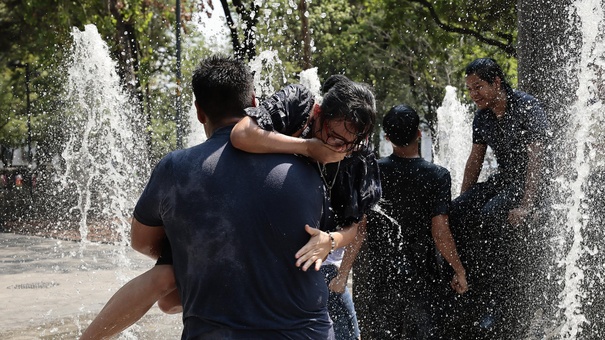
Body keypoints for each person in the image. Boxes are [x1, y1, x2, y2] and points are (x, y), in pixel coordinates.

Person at [82, 55, 336, 339]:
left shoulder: (175, 169)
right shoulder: (307, 169)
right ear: (254, 102)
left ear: (198, 111)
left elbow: (141, 242)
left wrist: (196, 255)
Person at [230, 74, 382, 340]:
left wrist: (330, 240)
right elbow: (241, 135)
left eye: (350, 143)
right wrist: (307, 148)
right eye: (334, 137)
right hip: (255, 252)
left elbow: (354, 226)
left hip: (312, 266)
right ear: (319, 113)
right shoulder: (298, 105)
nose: (340, 148)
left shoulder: (358, 153)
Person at [448, 58, 549, 337]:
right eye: (469, 90)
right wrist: (463, 201)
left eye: (478, 87)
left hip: (532, 181)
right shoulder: (482, 116)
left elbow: (536, 158)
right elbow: (474, 161)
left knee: (491, 214)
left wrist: (527, 205)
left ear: (496, 82)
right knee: (456, 212)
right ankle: (469, 286)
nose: (474, 95)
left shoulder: (527, 106)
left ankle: (501, 302)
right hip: (505, 179)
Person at [354, 104, 468, 339]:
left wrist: (343, 273)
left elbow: (360, 228)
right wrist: (459, 270)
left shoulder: (372, 171)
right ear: (419, 133)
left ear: (387, 138)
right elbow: (440, 232)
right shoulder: (437, 175)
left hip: (380, 275)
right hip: (422, 276)